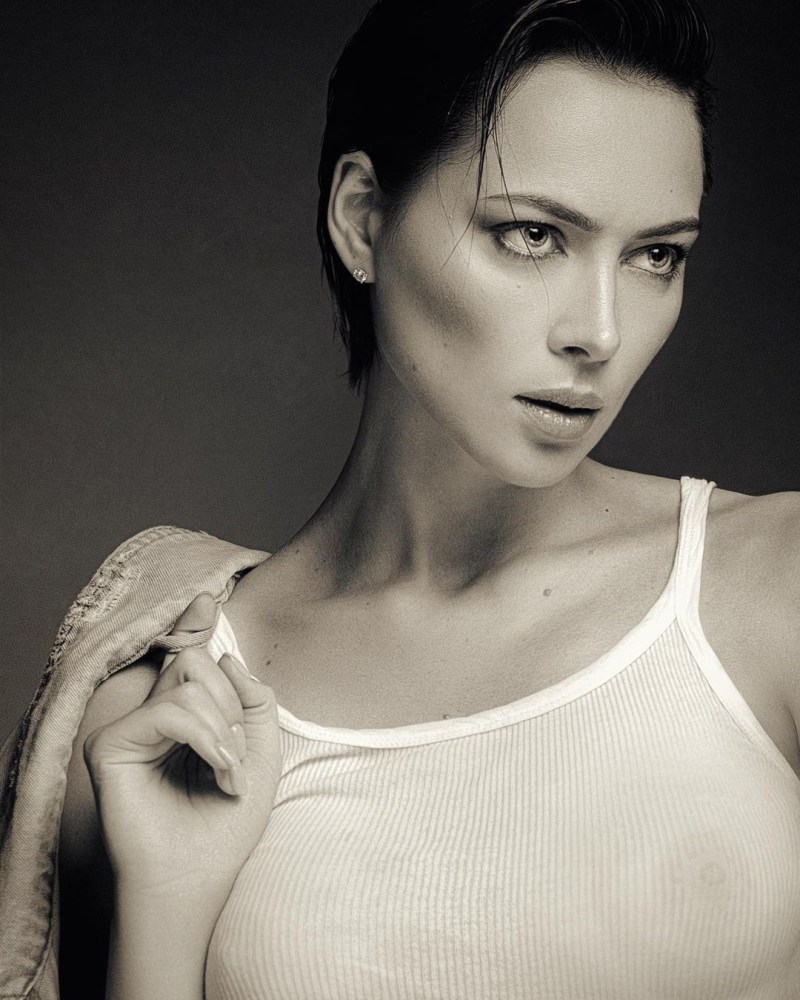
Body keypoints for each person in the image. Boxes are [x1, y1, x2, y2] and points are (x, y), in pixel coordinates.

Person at [8, 0, 800, 997]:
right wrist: (163, 908)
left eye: (655, 256)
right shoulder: (167, 709)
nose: (598, 332)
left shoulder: (772, 590)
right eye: (532, 235)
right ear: (362, 218)